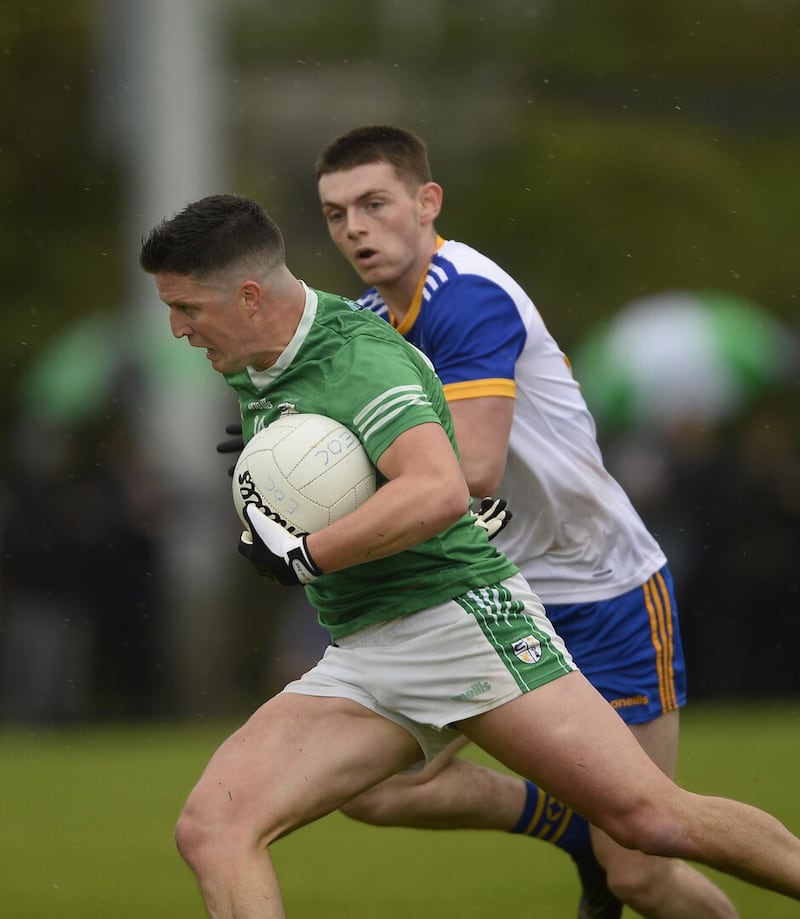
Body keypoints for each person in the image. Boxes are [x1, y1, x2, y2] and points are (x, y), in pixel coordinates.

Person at [139, 193, 800, 919]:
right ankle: (572, 830)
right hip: (368, 646)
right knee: (216, 827)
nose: (177, 328)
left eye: (188, 308)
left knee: (652, 822)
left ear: (252, 294)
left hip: (461, 626)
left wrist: (305, 552)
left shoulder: (359, 360)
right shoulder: (261, 349)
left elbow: (440, 489)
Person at [312, 125, 736, 919]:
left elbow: (472, 473)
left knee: (644, 866)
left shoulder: (467, 295)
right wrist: (298, 443)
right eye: (337, 215)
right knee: (374, 788)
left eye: (374, 204)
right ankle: (578, 832)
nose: (355, 229)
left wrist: (337, 470)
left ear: (427, 201)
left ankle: (610, 837)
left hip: (597, 587)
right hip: (486, 595)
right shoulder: (366, 324)